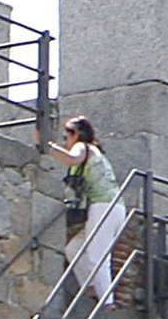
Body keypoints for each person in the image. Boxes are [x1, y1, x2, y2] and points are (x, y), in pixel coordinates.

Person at [43, 115, 125, 307]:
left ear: (77, 134)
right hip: (108, 207)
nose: (66, 141)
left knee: (97, 256)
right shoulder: (93, 152)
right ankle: (91, 287)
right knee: (73, 249)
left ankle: (107, 303)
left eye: (67, 136)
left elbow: (72, 158)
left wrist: (48, 147)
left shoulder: (83, 147)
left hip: (104, 206)